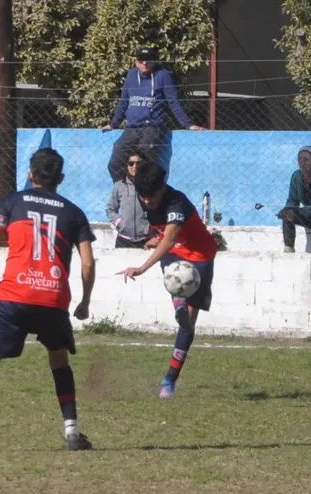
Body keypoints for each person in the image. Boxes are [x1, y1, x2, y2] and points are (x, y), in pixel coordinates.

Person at [0, 148, 97, 452]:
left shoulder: (12, 202)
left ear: (30, 175)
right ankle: (72, 433)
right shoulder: (74, 213)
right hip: (52, 298)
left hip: (13, 295)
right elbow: (88, 263)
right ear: (60, 178)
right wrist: (85, 301)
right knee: (59, 363)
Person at [118, 163, 218, 398]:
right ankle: (178, 304)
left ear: (162, 188)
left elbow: (171, 240)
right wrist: (158, 237)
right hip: (177, 253)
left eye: (151, 197)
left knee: (187, 326)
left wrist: (142, 267)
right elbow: (168, 239)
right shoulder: (148, 199)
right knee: (173, 270)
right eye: (143, 197)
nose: (147, 202)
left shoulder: (176, 203)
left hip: (201, 255)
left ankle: (169, 380)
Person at [102, 45, 203, 183]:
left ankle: (150, 191)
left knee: (146, 155)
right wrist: (113, 124)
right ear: (136, 61)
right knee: (115, 160)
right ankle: (126, 191)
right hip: (132, 128)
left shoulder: (163, 76)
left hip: (153, 127)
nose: (145, 63)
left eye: (148, 60)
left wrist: (188, 124)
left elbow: (173, 102)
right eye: (141, 60)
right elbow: (123, 102)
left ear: (154, 61)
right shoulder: (131, 75)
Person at [106, 149, 154, 248]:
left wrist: (150, 226)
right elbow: (110, 209)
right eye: (131, 163)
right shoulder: (119, 186)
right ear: (127, 166)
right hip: (124, 239)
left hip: (147, 239)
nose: (135, 166)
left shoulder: (152, 186)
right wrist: (120, 223)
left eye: (138, 163)